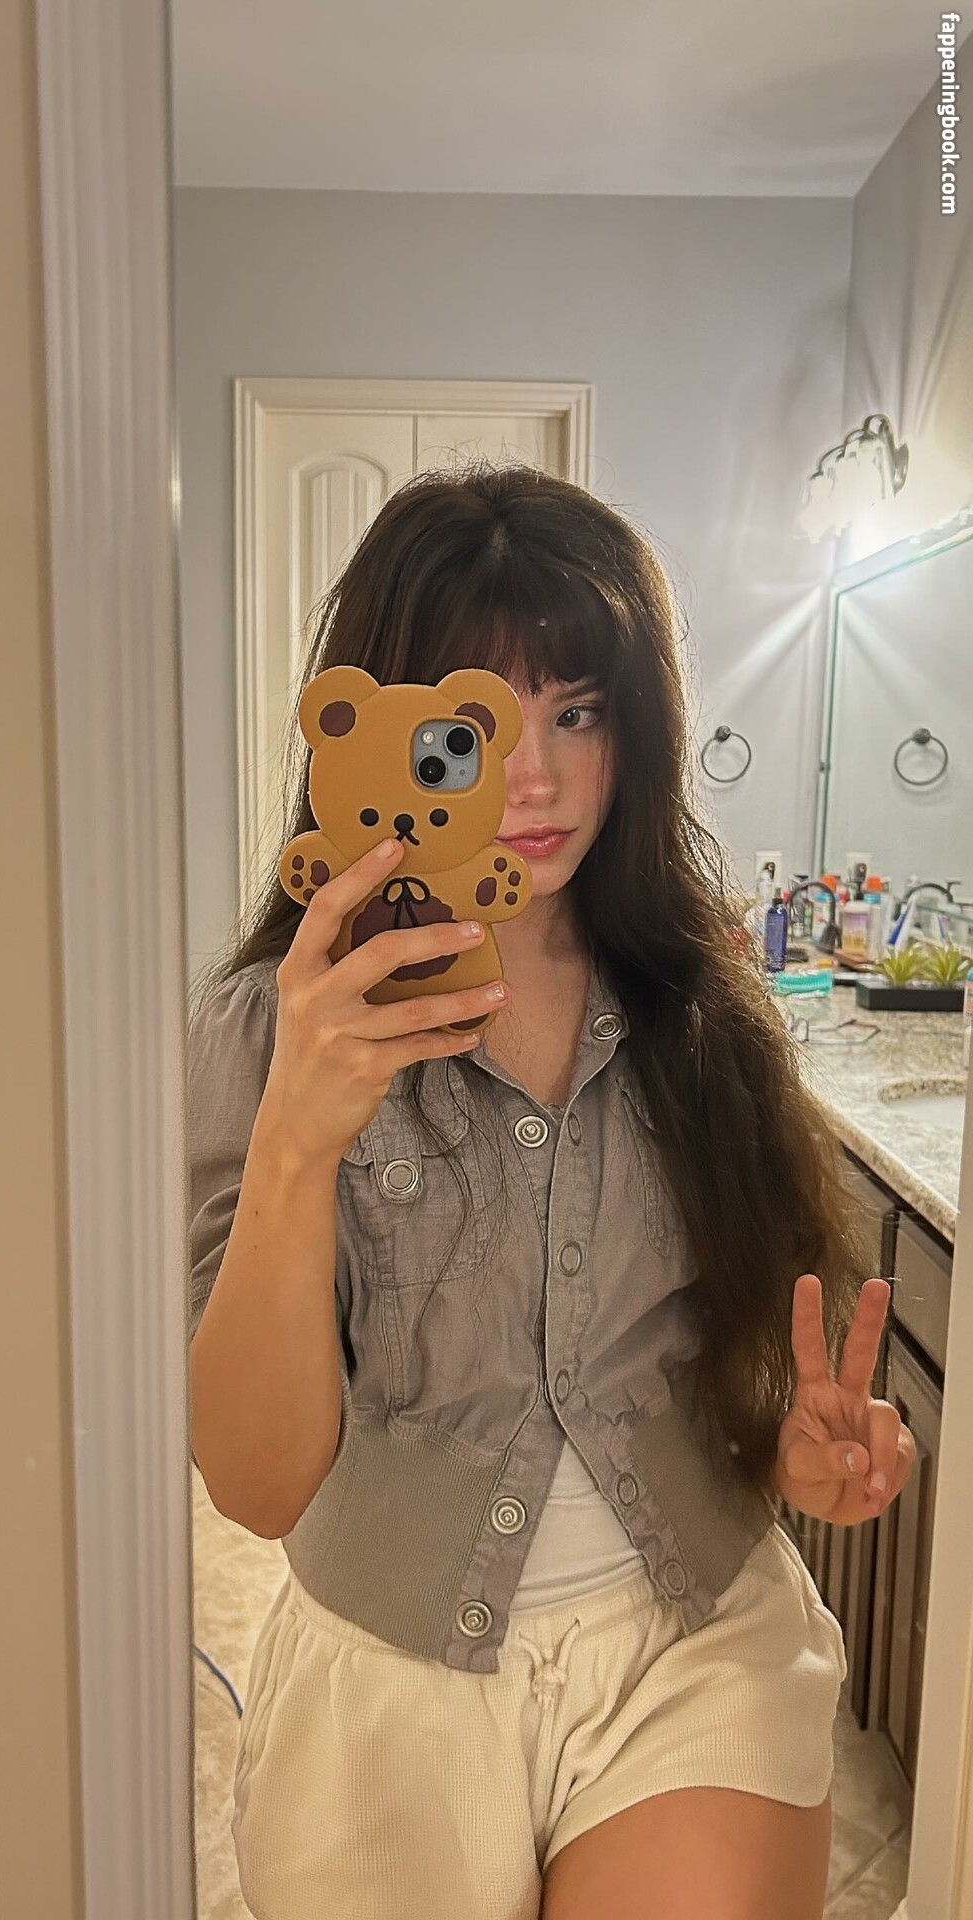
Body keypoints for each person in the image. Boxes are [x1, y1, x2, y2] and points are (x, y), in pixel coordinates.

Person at [186, 463, 915, 1920]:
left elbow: (735, 1360)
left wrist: (794, 1448)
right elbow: (255, 1484)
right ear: (370, 730)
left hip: (692, 1647)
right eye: (476, 725)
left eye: (578, 712)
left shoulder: (704, 1015)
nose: (532, 780)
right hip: (389, 1676)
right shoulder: (273, 1029)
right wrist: (297, 1145)